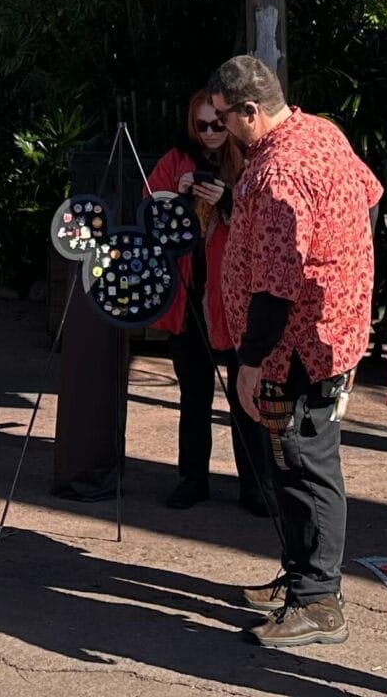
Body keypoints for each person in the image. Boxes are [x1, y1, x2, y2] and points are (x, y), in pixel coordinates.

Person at [209, 53, 382, 651]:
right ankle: (302, 575)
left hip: (297, 348)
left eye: (226, 117)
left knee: (302, 462)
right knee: (293, 462)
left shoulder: (280, 168)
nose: (222, 129)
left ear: (252, 111)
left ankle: (319, 602)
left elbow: (278, 281)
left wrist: (252, 360)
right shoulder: (321, 132)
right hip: (325, 333)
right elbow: (370, 195)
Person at [145, 84, 266, 511]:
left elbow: (266, 223)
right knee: (193, 393)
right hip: (191, 296)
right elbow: (151, 218)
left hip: (235, 299)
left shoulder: (250, 161)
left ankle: (255, 485)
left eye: (219, 124)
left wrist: (229, 200)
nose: (212, 132)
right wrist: (177, 199)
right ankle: (192, 478)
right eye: (203, 126)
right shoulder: (174, 161)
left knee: (245, 395)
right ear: (192, 127)